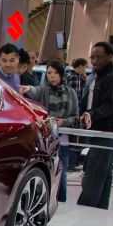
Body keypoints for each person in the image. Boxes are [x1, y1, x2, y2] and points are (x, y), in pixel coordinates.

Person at [21, 60, 80, 202]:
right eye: (49, 73)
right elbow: (35, 90)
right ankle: (44, 202)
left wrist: (63, 122)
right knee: (46, 172)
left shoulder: (70, 92)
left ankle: (61, 202)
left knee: (62, 174)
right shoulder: (44, 90)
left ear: (61, 74)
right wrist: (28, 89)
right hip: (47, 139)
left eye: (55, 73)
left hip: (63, 139)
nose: (52, 76)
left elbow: (75, 116)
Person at [77, 41, 113, 209]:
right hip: (98, 130)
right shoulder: (95, 76)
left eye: (99, 57)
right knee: (104, 174)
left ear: (110, 57)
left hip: (108, 132)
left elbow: (108, 106)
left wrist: (91, 114)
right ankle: (100, 211)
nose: (95, 61)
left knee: (95, 174)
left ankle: (85, 211)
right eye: (93, 57)